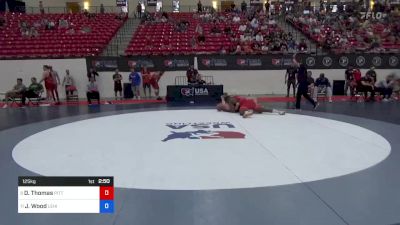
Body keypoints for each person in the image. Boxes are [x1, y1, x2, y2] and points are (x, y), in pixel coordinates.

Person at [217, 94, 285, 118]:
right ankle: (278, 111)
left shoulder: (233, 99)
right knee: (262, 109)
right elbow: (234, 110)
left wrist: (236, 106)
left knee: (241, 112)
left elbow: (234, 110)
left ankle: (248, 111)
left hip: (246, 104)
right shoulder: (232, 100)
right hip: (248, 104)